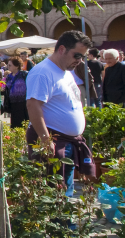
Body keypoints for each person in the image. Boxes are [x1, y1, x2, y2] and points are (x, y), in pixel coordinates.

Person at [25, 31, 95, 197]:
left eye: (82, 56)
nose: (79, 61)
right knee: (53, 192)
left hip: (68, 142)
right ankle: (61, 222)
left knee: (65, 190)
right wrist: (45, 139)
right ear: (62, 49)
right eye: (77, 55)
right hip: (53, 142)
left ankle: (65, 221)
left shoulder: (65, 71)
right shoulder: (43, 72)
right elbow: (33, 105)